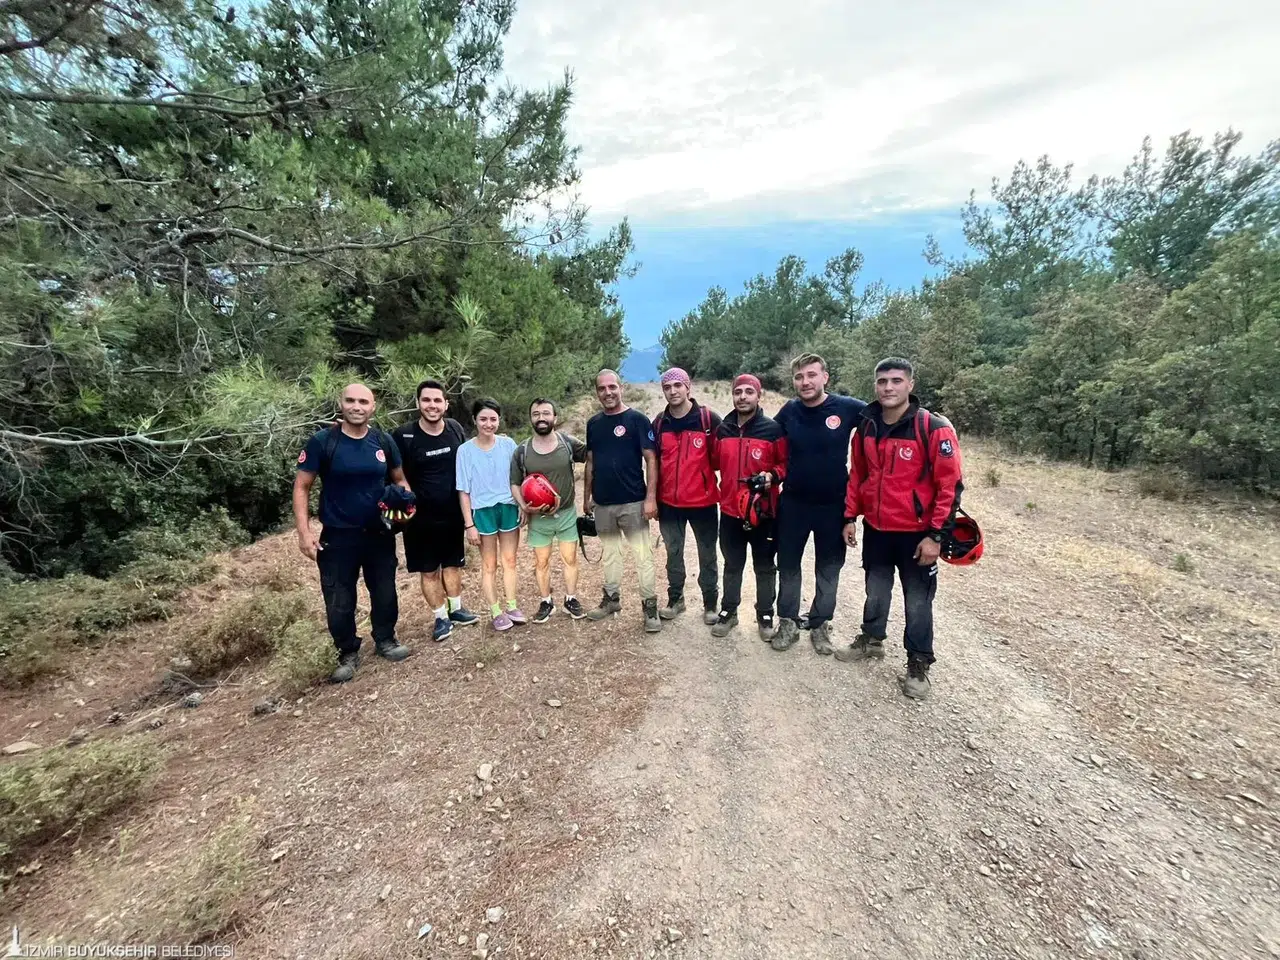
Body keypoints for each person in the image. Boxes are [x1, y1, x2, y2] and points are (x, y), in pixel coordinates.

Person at [836, 358, 963, 700]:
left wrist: (936, 535)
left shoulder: (932, 428)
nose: (888, 387)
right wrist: (850, 516)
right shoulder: (866, 427)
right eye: (881, 381)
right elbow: (858, 475)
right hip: (877, 529)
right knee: (876, 591)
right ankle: (872, 639)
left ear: (910, 384)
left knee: (917, 602)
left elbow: (949, 486)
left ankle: (918, 662)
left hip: (917, 534)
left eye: (895, 381)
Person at [293, 383, 413, 683]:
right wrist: (304, 532)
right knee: (338, 598)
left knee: (385, 590)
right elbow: (302, 486)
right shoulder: (323, 442)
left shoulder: (383, 441)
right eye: (350, 401)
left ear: (373, 407)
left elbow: (400, 481)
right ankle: (346, 650)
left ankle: (386, 638)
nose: (356, 406)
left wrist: (407, 504)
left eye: (363, 401)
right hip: (337, 535)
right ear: (341, 404)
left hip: (379, 532)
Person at [771, 353, 868, 655]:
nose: (805, 382)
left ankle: (820, 624)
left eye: (812, 375)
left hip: (833, 506)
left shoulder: (847, 408)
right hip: (794, 503)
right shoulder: (789, 410)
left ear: (825, 377)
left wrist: (934, 422)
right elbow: (764, 435)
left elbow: (887, 414)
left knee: (829, 567)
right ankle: (787, 622)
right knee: (788, 565)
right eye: (799, 377)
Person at [393, 379, 480, 643]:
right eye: (427, 400)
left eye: (437, 400)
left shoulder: (454, 429)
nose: (432, 405)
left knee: (453, 564)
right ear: (418, 403)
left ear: (445, 404)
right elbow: (395, 473)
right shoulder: (403, 435)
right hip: (419, 521)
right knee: (429, 570)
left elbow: (467, 464)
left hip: (453, 514)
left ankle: (456, 609)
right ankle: (440, 617)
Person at [583, 369, 661, 632]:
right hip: (603, 503)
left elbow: (651, 459)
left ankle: (650, 607)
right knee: (610, 555)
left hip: (633, 502)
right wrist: (587, 497)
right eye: (602, 389)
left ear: (621, 387)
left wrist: (651, 498)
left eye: (612, 387)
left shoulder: (637, 419)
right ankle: (612, 599)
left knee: (643, 556)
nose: (608, 392)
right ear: (597, 393)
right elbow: (591, 461)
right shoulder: (593, 423)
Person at [711, 373, 787, 639]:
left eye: (748, 392)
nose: (742, 397)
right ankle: (728, 612)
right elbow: (715, 463)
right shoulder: (723, 430)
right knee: (732, 564)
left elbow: (785, 465)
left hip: (763, 513)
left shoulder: (772, 429)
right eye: (738, 392)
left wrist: (772, 477)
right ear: (732, 395)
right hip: (731, 511)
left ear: (758, 395)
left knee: (765, 565)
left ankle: (765, 614)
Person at [651, 367, 723, 625]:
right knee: (673, 553)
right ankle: (675, 599)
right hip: (669, 503)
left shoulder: (708, 420)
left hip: (703, 503)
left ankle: (710, 603)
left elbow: (720, 460)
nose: (673, 391)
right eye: (667, 387)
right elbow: (654, 463)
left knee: (707, 554)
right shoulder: (659, 423)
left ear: (688, 387)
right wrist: (653, 498)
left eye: (677, 386)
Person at [510, 398, 588, 624]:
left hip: (566, 514)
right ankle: (546, 602)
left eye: (545, 413)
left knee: (570, 559)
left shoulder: (567, 442)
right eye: (536, 414)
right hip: (539, 518)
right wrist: (523, 505)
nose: (541, 418)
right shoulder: (522, 450)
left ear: (555, 417)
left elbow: (592, 454)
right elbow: (515, 482)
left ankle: (570, 599)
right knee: (541, 562)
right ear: (531, 418)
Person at [456, 398, 526, 632]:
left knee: (510, 561)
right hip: (483, 512)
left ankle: (512, 606)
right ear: (475, 420)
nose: (488, 424)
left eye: (493, 419)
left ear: (499, 420)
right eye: (483, 419)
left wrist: (522, 505)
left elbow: (519, 478)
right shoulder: (465, 451)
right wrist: (469, 524)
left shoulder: (508, 445)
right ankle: (495, 611)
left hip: (507, 507)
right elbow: (463, 491)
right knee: (489, 564)